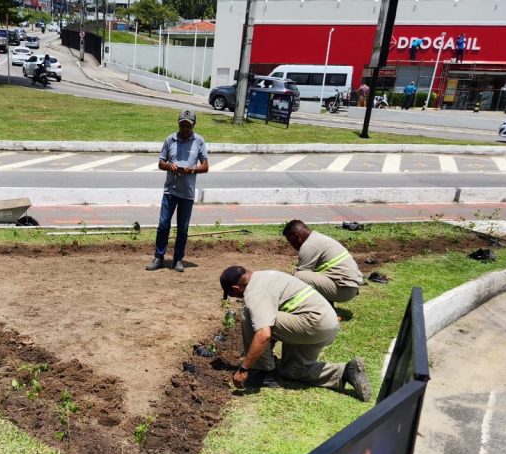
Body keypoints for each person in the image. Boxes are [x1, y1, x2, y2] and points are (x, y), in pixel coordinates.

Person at [219, 265, 371, 400]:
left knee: (251, 316)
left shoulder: (254, 292)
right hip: (326, 322)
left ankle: (263, 372)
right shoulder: (264, 275)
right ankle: (346, 371)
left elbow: (264, 334)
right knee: (293, 370)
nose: (238, 298)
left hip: (313, 323)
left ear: (235, 289)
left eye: (234, 295)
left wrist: (244, 368)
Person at [146, 109, 209, 273]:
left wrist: (192, 170)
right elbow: (161, 163)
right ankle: (159, 257)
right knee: (163, 225)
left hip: (187, 193)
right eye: (182, 126)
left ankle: (178, 260)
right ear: (178, 124)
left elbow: (205, 166)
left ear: (194, 125)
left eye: (188, 126)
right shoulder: (170, 139)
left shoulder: (199, 141)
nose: (185, 129)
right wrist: (169, 166)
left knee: (183, 228)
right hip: (170, 191)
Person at [282, 220, 364, 306]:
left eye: (290, 241)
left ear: (297, 236)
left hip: (345, 290)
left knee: (299, 276)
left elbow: (298, 281)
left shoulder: (309, 246)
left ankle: (314, 310)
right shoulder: (317, 237)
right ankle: (327, 307)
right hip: (350, 286)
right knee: (311, 275)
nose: (291, 245)